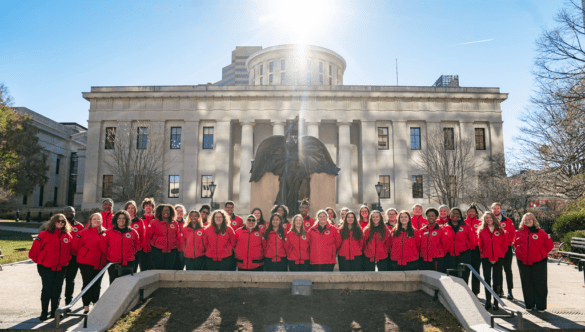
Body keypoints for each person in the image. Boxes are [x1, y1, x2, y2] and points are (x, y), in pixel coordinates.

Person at [29, 214, 73, 321]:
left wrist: (66, 261)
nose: (60, 223)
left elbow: (70, 251)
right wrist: (41, 262)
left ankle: (54, 312)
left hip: (61, 268)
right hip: (46, 268)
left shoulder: (67, 236)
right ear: (53, 221)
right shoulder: (44, 234)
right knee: (47, 289)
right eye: (58, 221)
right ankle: (44, 312)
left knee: (57, 290)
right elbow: (33, 252)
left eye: (63, 221)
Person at [514, 213, 553, 312]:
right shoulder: (519, 232)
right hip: (523, 262)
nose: (527, 221)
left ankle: (540, 306)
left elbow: (549, 245)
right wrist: (519, 253)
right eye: (525, 219)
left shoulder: (541, 232)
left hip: (539, 262)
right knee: (526, 283)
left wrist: (541, 254)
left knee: (540, 283)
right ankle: (529, 305)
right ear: (522, 221)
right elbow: (515, 244)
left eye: (529, 219)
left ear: (534, 220)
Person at [72, 213, 107, 314]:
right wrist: (83, 255)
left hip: (101, 263)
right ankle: (86, 305)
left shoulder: (105, 233)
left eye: (98, 219)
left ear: (102, 221)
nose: (96, 221)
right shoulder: (83, 233)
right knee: (87, 284)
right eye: (94, 219)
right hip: (86, 263)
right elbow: (74, 247)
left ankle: (96, 303)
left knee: (97, 284)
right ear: (90, 221)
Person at [477, 212, 507, 310]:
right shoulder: (481, 231)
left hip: (498, 258)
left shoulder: (500, 230)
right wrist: (483, 253)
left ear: (493, 218)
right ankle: (488, 301)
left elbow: (505, 244)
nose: (488, 220)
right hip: (486, 258)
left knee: (497, 280)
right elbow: (480, 244)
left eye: (490, 218)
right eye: (486, 218)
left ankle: (496, 301)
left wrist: (500, 253)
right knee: (487, 280)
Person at [101, 210, 140, 284]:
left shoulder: (133, 232)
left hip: (129, 263)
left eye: (123, 218)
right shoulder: (109, 232)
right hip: (113, 263)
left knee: (127, 285)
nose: (121, 220)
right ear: (116, 220)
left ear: (127, 220)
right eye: (119, 218)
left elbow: (137, 245)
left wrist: (131, 253)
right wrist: (110, 253)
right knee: (114, 284)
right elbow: (103, 245)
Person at [146, 204, 183, 270]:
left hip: (171, 252)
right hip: (157, 251)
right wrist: (151, 248)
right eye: (164, 210)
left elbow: (177, 237)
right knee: (158, 271)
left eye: (168, 210)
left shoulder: (174, 223)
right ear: (160, 212)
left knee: (168, 272)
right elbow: (148, 236)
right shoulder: (154, 222)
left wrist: (178, 248)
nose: (166, 212)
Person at [443, 208, 475, 284]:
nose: (455, 215)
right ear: (449, 215)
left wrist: (467, 251)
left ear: (460, 215)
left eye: (457, 213)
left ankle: (464, 294)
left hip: (463, 255)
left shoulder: (466, 226)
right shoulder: (444, 227)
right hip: (449, 256)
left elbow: (472, 240)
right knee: (451, 277)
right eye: (453, 213)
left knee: (464, 276)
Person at [492, 202, 516, 299]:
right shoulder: (490, 221)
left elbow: (512, 234)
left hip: (506, 249)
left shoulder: (508, 221)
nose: (496, 210)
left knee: (508, 270)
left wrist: (508, 242)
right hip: (496, 250)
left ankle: (510, 291)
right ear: (492, 210)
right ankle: (500, 290)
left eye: (498, 208)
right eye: (494, 208)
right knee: (498, 271)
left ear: (501, 209)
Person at [62, 206, 83, 305]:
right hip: (61, 257)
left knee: (70, 280)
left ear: (75, 213)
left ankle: (68, 302)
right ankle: (55, 303)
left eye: (71, 212)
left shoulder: (79, 226)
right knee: (59, 280)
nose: (69, 214)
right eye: (67, 212)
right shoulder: (59, 224)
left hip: (73, 258)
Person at [419, 208, 445, 272]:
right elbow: (419, 244)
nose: (430, 217)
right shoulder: (422, 230)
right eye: (429, 216)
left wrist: (439, 252)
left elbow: (445, 244)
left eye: (433, 216)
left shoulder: (441, 230)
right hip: (424, 259)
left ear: (436, 217)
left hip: (437, 259)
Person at [466, 203, 483, 296]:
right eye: (469, 211)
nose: (471, 213)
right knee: (466, 270)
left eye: (473, 211)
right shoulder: (464, 222)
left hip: (476, 250)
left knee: (476, 270)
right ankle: (465, 290)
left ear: (476, 213)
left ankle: (475, 292)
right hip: (466, 250)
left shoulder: (480, 223)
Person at [126, 200, 145, 273]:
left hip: (136, 252)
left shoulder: (140, 221)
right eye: (128, 208)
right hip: (125, 251)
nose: (130, 210)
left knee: (133, 272)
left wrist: (138, 248)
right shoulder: (122, 220)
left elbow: (142, 237)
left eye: (132, 208)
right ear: (126, 209)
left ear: (135, 210)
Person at [139, 197, 155, 271]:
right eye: (146, 206)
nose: (148, 207)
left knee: (153, 270)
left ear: (152, 207)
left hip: (153, 249)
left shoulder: (156, 220)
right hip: (142, 250)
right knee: (143, 271)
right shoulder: (140, 220)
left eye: (150, 205)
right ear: (143, 208)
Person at [173, 204, 187, 270]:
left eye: (181, 211)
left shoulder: (186, 224)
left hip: (182, 251)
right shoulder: (171, 223)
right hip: (173, 250)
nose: (179, 213)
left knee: (180, 269)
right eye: (177, 211)